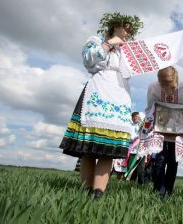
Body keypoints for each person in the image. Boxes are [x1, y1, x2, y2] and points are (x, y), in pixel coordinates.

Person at [59, 12, 143, 199]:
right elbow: (89, 61)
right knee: (88, 148)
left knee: (108, 150)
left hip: (119, 96)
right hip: (97, 92)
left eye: (131, 31)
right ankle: (86, 191)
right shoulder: (96, 40)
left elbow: (133, 71)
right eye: (126, 29)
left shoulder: (127, 51)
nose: (129, 34)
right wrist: (109, 43)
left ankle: (98, 193)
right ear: (114, 26)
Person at [145, 66, 183, 199]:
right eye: (164, 87)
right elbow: (149, 108)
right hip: (159, 130)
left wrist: (182, 126)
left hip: (178, 132)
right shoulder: (152, 87)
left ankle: (168, 190)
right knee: (159, 160)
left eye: (172, 88)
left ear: (176, 80)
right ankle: (159, 192)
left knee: (173, 161)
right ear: (159, 82)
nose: (168, 92)